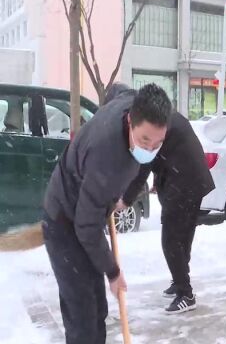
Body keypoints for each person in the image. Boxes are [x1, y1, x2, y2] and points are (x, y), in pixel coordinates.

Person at [42, 84, 172, 344]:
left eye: (158, 142)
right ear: (130, 121)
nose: (150, 148)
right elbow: (86, 226)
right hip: (64, 221)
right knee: (83, 320)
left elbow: (114, 90)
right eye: (145, 140)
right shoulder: (109, 159)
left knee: (98, 309)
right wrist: (113, 272)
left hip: (85, 211)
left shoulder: (133, 102)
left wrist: (123, 198)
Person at [118, 91, 214, 314]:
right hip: (193, 181)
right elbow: (171, 153)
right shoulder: (168, 117)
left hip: (184, 183)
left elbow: (144, 167)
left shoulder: (154, 125)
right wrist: (161, 181)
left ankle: (185, 293)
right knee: (183, 235)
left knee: (171, 239)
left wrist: (126, 200)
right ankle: (180, 281)